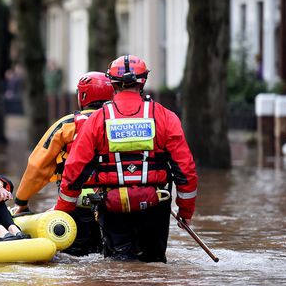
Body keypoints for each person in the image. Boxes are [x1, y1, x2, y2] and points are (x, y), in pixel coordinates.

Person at [55, 55, 198, 262]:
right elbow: (186, 170)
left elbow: (75, 169)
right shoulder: (166, 117)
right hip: (156, 204)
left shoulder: (97, 119)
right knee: (154, 265)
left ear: (112, 83)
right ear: (143, 81)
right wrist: (186, 211)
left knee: (119, 266)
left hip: (112, 206)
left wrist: (63, 211)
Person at [12, 71, 114, 256]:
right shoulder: (120, 124)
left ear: (82, 96)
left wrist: (22, 201)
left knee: (75, 257)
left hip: (74, 201)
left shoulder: (67, 125)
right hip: (117, 200)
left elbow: (37, 166)